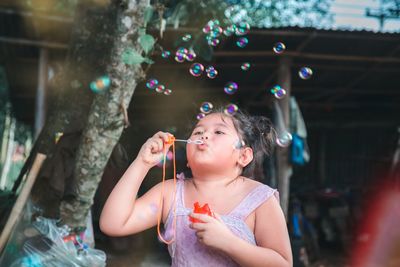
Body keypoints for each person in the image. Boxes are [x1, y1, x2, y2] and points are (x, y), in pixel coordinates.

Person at [100, 108, 293, 267]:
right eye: (198, 132)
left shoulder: (259, 199)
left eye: (218, 132)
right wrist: (142, 163)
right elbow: (113, 224)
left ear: (243, 156)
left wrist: (228, 242)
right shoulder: (171, 192)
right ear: (188, 160)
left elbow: (283, 264)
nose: (205, 135)